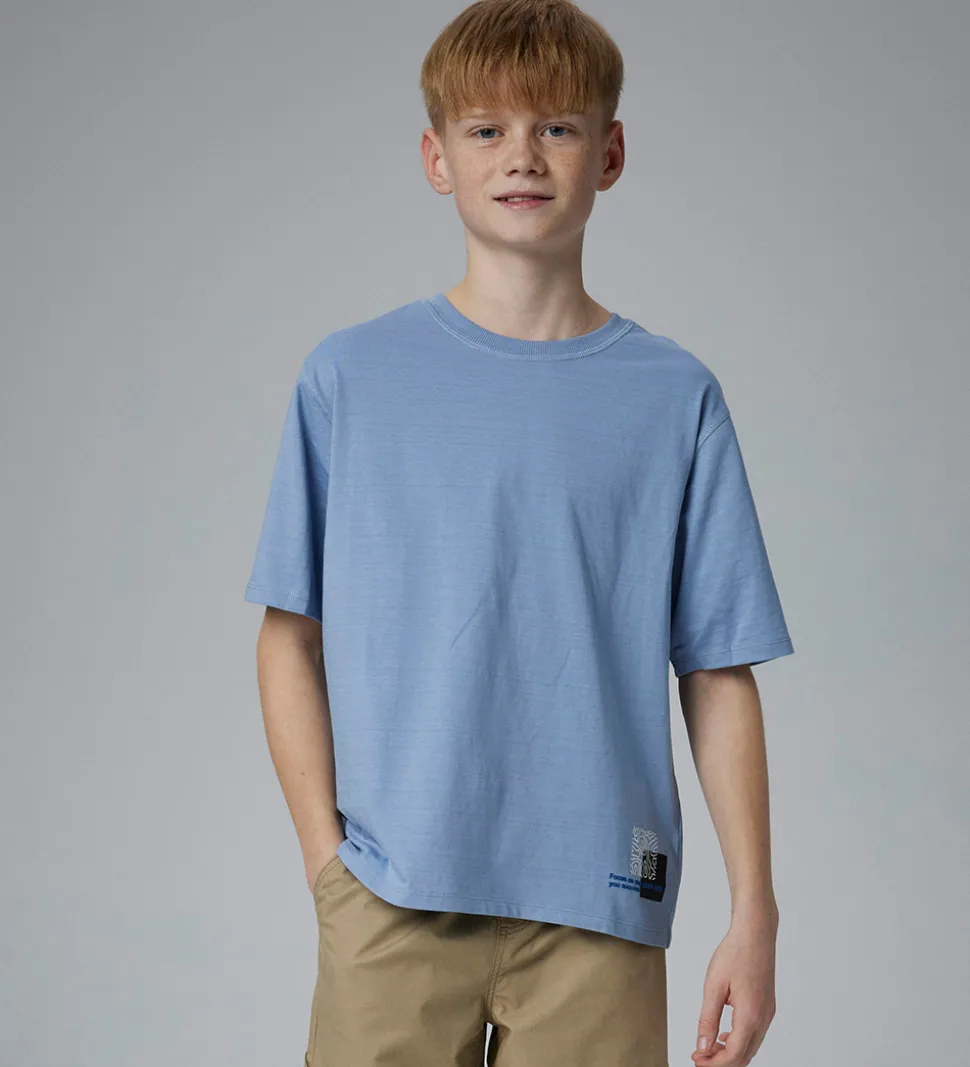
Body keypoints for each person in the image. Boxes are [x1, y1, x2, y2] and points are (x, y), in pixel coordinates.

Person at [243, 1, 794, 1064]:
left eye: (558, 127)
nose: (523, 155)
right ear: (436, 157)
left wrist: (754, 911)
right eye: (486, 128)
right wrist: (328, 865)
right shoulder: (352, 377)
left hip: (601, 909)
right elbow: (287, 634)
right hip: (392, 896)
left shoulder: (673, 397)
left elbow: (718, 668)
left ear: (610, 153)